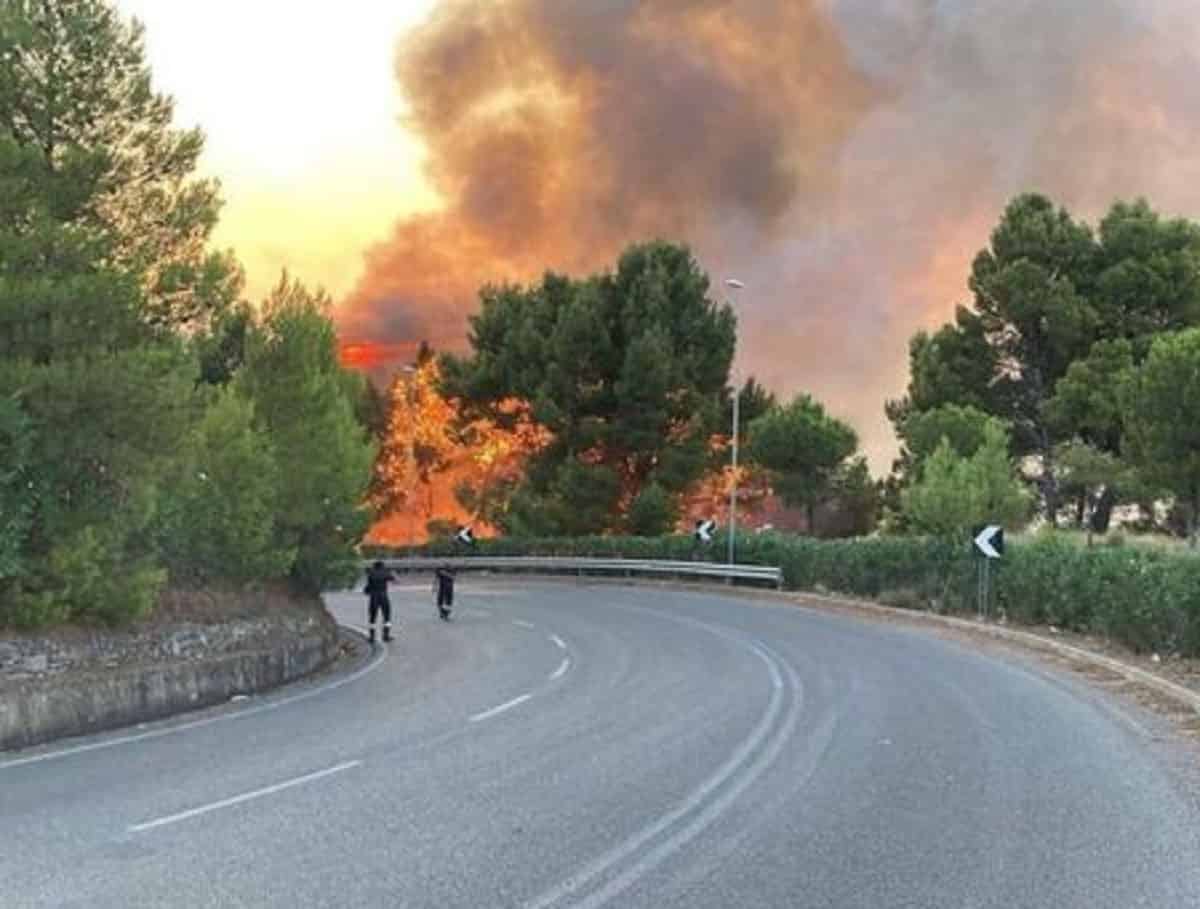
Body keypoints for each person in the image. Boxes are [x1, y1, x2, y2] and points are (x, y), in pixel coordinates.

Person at [363, 560, 396, 643]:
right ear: (382, 566)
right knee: (387, 617)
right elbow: (393, 579)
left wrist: (366, 590)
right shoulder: (385, 572)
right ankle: (386, 635)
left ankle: (372, 637)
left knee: (372, 618)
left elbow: (368, 585)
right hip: (383, 597)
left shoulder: (371, 573)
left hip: (373, 597)